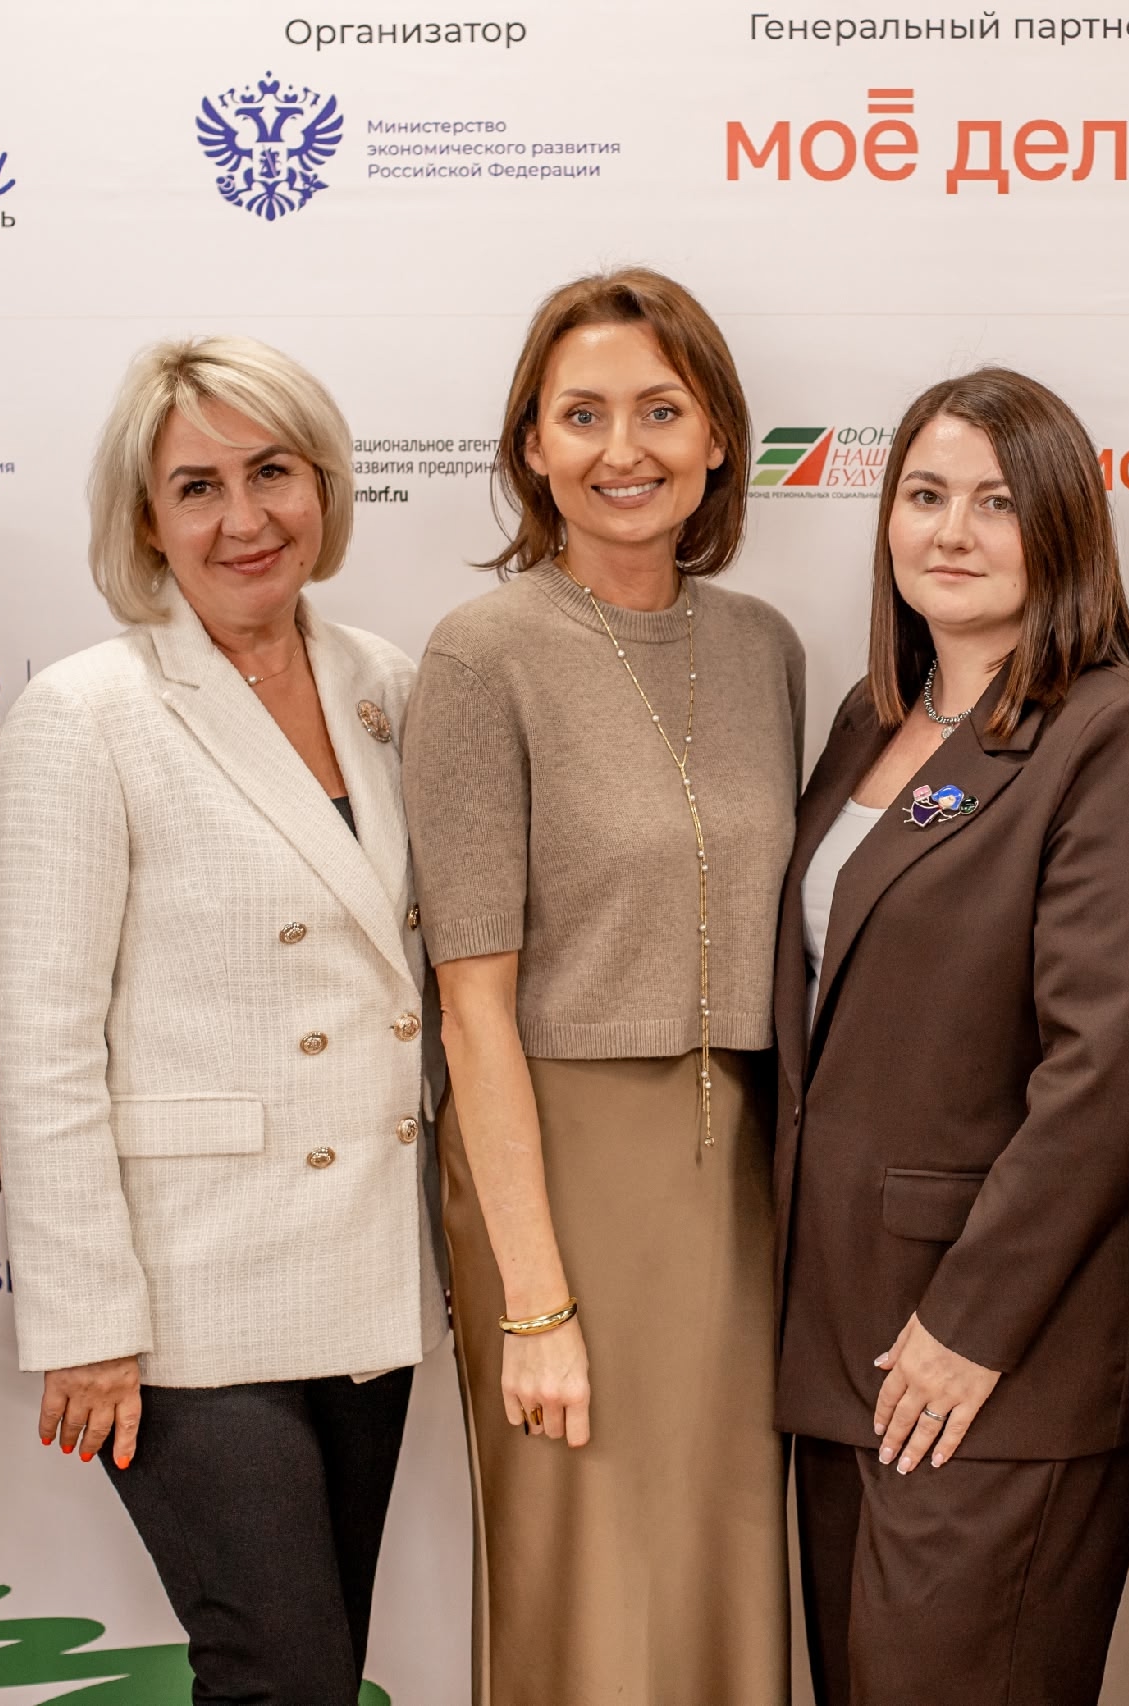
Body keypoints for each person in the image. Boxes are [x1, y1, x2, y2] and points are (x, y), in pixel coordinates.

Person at [0, 335, 439, 1706]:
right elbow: (44, 1040)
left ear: (325, 487)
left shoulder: (387, 684)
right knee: (280, 1669)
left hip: (359, 1265)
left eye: (272, 473)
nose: (244, 517)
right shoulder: (87, 714)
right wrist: (84, 1318)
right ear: (147, 519)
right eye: (198, 487)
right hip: (183, 1295)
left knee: (320, 1669)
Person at [775, 367, 1129, 1706]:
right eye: (924, 495)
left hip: (993, 1357)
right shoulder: (872, 721)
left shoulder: (1119, 737)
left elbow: (1109, 1068)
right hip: (840, 1340)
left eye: (995, 501)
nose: (952, 530)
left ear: (1063, 527)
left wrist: (968, 1325)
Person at [400, 268, 801, 1706]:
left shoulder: (763, 647)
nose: (621, 449)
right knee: (586, 1581)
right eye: (581, 415)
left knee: (722, 1564)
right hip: (559, 1165)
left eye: (659, 410)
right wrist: (535, 1301)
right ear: (531, 445)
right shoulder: (481, 656)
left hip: (743, 1173)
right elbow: (471, 1008)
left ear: (716, 437)